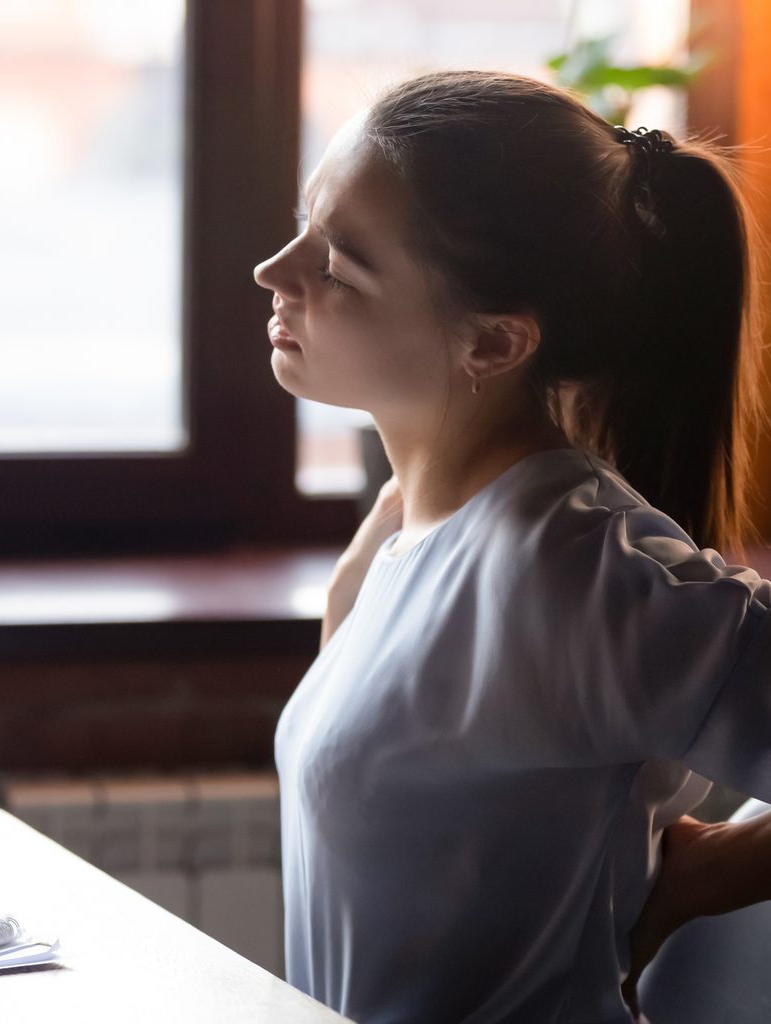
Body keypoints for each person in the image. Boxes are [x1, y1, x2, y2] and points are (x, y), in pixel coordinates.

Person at [253, 70, 771, 1024]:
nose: (275, 271)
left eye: (338, 264)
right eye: (304, 222)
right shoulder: (407, 524)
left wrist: (706, 875)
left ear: (492, 344)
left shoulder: (565, 565)